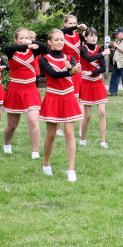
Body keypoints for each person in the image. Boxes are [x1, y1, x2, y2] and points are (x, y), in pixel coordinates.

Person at [39, 29, 83, 182]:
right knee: (51, 135)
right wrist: (70, 72)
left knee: (69, 133)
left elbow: (74, 68)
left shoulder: (70, 58)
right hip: (53, 97)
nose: (59, 42)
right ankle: (46, 164)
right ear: (49, 42)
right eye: (56, 40)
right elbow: (53, 74)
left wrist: (71, 68)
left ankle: (71, 169)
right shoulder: (44, 59)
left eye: (61, 40)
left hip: (68, 97)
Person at [2, 28, 47, 158]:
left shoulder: (33, 51)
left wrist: (31, 43)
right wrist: (27, 45)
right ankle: (7, 144)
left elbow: (44, 46)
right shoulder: (12, 52)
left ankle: (35, 152)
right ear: (16, 40)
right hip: (15, 89)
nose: (24, 40)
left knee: (33, 120)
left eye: (26, 37)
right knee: (12, 125)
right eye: (21, 38)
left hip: (31, 89)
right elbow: (7, 49)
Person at [79, 27, 110, 147]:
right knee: (87, 116)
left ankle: (103, 141)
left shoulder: (99, 48)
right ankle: (83, 138)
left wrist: (91, 72)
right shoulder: (83, 49)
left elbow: (103, 68)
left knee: (102, 113)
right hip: (86, 83)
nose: (93, 38)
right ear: (86, 38)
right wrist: (103, 53)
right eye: (91, 36)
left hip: (97, 82)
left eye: (95, 35)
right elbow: (89, 58)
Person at [108, 28, 123, 96]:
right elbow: (117, 49)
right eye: (115, 34)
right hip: (117, 62)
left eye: (117, 34)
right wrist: (113, 46)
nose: (116, 35)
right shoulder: (118, 41)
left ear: (121, 33)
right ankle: (113, 91)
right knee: (114, 77)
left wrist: (116, 45)